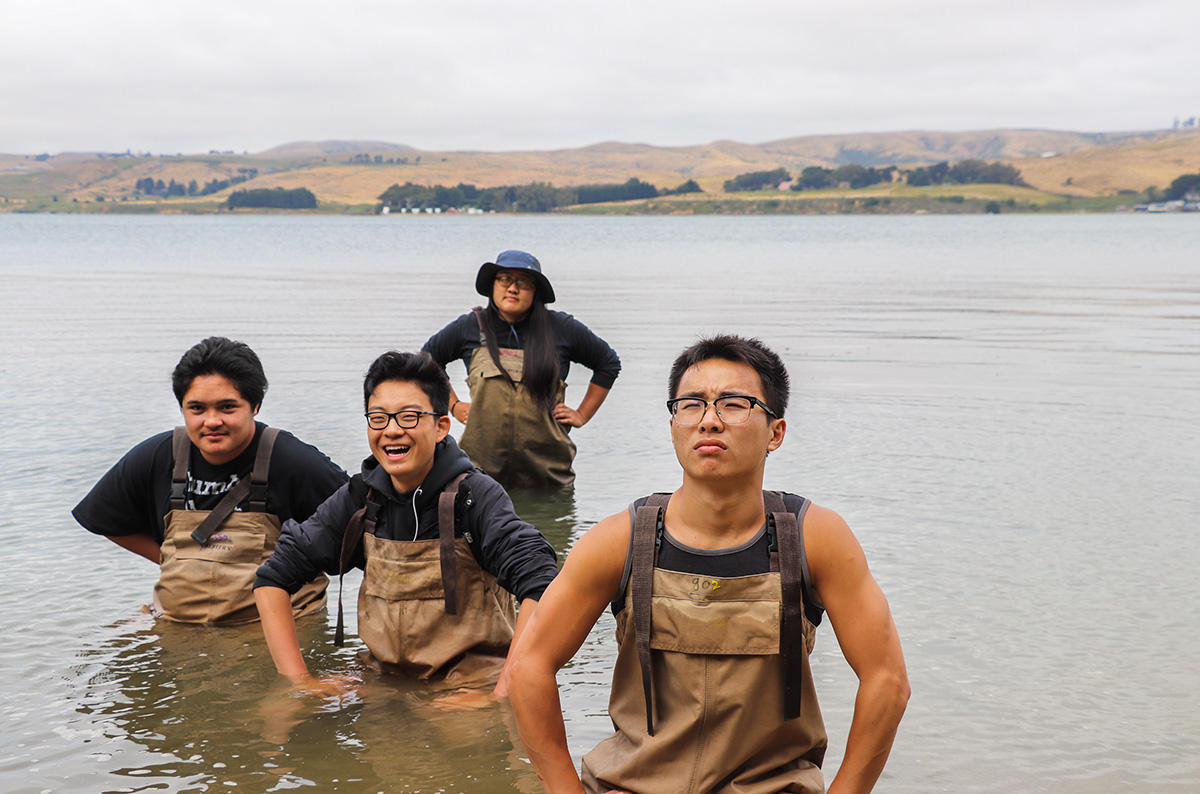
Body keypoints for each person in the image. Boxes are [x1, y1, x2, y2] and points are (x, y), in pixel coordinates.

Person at [507, 335, 910, 793]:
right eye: (691, 405)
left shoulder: (814, 537)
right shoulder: (620, 539)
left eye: (734, 404)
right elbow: (530, 666)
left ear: (775, 432)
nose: (709, 421)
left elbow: (887, 678)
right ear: (673, 423)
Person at [253, 351, 559, 695]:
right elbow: (272, 578)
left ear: (441, 426)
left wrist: (501, 693)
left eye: (410, 417)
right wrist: (300, 682)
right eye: (378, 418)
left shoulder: (474, 496)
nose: (392, 431)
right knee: (281, 717)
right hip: (382, 677)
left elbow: (542, 581)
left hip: (470, 684)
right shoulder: (361, 498)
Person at [72, 336, 347, 625]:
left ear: (254, 405)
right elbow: (105, 521)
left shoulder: (295, 461)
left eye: (227, 407)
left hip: (278, 626)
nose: (212, 421)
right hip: (179, 623)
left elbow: (356, 530)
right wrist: (175, 560)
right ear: (182, 409)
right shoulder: (157, 456)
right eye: (197, 409)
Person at [422, 249, 620, 488]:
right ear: (493, 285)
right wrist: (453, 405)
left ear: (535, 291)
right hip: (480, 478)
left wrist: (582, 415)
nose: (512, 288)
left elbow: (608, 364)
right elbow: (427, 360)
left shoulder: (561, 328)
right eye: (504, 279)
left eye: (523, 282)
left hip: (548, 478)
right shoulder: (471, 326)